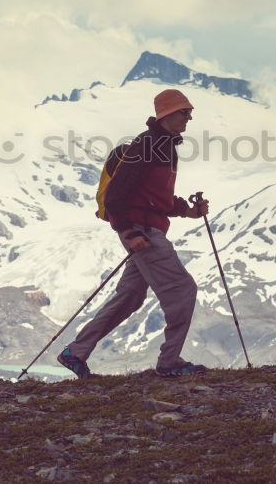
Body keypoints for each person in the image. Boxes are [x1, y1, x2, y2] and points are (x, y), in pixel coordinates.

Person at [58, 88, 209, 378]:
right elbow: (116, 195)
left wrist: (190, 210)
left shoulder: (163, 145)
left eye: (189, 112)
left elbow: (155, 198)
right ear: (167, 114)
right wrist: (128, 232)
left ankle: (75, 352)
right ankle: (169, 362)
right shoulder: (148, 145)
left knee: (130, 296)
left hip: (144, 229)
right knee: (183, 290)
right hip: (143, 233)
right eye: (184, 111)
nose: (189, 116)